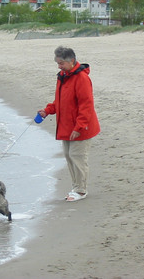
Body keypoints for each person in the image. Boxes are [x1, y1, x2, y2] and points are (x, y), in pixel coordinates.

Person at [38, 46, 100, 202]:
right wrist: (47, 110)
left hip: (81, 127)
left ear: (71, 61)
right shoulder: (63, 76)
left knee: (77, 156)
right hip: (66, 125)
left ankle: (80, 190)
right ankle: (76, 187)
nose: (59, 66)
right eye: (57, 63)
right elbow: (60, 101)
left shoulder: (82, 78)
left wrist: (79, 127)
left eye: (61, 63)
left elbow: (86, 105)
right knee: (69, 156)